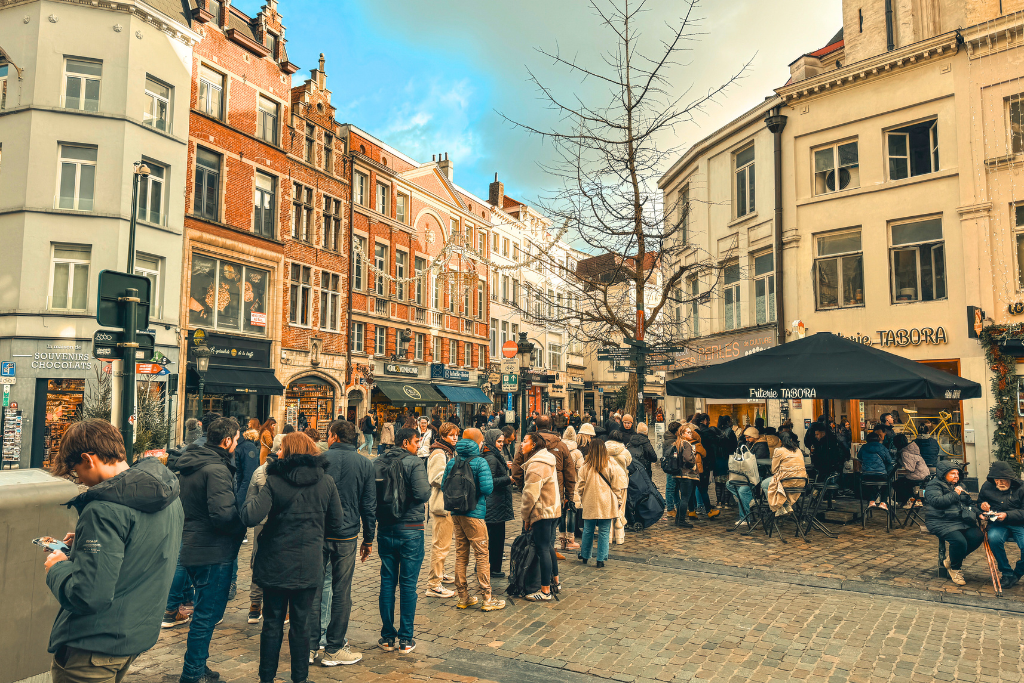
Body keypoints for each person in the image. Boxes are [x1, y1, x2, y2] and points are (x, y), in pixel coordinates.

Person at [45, 419, 184, 683]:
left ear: (88, 459)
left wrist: (57, 567)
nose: (80, 481)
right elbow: (144, 549)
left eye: (76, 472)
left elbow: (88, 595)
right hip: (132, 635)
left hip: (92, 646)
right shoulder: (167, 494)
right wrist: (88, 541)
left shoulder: (103, 509)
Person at [241, 432, 344, 683]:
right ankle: (300, 678)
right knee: (301, 624)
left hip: (275, 561)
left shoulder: (274, 481)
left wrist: (252, 492)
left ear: (285, 452)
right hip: (308, 561)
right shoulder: (326, 482)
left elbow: (250, 516)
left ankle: (267, 677)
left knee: (273, 622)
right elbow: (337, 523)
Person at [173, 417, 247, 683]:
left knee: (204, 611)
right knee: (208, 615)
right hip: (213, 551)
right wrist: (242, 525)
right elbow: (223, 514)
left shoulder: (193, 464)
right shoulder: (216, 469)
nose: (237, 445)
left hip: (193, 545)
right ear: (226, 441)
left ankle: (197, 666)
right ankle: (192, 673)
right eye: (236, 440)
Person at [309, 420, 377, 667]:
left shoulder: (320, 459)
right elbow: (369, 505)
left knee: (315, 588)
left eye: (329, 434)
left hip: (319, 531)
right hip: (346, 534)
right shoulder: (363, 463)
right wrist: (368, 538)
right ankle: (334, 647)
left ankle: (310, 645)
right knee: (341, 591)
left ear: (335, 436)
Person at [375, 428, 431, 653]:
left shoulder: (378, 462)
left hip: (386, 527)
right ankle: (406, 638)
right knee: (408, 584)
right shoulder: (414, 463)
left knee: (387, 581)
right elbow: (423, 494)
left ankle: (388, 636)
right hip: (411, 528)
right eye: (417, 441)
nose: (418, 446)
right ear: (406, 442)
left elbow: (372, 495)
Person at [442, 428, 504, 611]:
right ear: (477, 443)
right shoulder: (480, 462)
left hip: (456, 513)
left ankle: (463, 596)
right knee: (482, 554)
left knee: (461, 554)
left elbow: (444, 485)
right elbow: (487, 489)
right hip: (475, 514)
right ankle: (487, 598)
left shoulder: (452, 461)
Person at [519, 432, 562, 601]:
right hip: (552, 509)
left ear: (534, 445)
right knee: (548, 546)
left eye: (524, 441)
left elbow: (530, 495)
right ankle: (555, 582)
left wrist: (526, 517)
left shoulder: (537, 464)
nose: (521, 444)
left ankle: (545, 591)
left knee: (543, 548)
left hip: (543, 511)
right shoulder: (546, 459)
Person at [925, 462, 982, 586]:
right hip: (940, 520)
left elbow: (969, 504)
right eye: (952, 473)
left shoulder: (961, 485)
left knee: (977, 536)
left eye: (957, 473)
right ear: (943, 474)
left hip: (960, 519)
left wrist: (979, 513)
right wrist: (955, 493)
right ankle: (955, 568)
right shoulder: (933, 486)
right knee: (959, 541)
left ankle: (951, 560)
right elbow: (937, 502)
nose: (956, 476)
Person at [575, 438, 627, 567]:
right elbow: (616, 486)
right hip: (607, 501)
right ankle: (601, 559)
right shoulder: (610, 465)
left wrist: (582, 497)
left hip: (590, 500)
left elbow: (580, 486)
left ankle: (585, 555)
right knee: (604, 530)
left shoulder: (585, 467)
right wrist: (619, 500)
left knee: (588, 529)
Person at [424, 422, 459, 598]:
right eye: (452, 435)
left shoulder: (447, 451)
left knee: (444, 544)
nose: (455, 438)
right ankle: (433, 584)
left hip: (447, 504)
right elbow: (436, 478)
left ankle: (441, 573)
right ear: (444, 435)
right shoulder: (439, 453)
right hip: (441, 504)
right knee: (440, 545)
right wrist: (457, 479)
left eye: (456, 435)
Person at [977, 461, 1024, 589]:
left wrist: (1007, 515)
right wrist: (982, 506)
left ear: (1011, 479)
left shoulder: (1021, 487)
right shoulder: (987, 486)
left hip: (1020, 524)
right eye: (997, 480)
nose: (1000, 483)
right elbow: (979, 503)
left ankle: (1017, 573)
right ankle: (1007, 573)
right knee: (994, 539)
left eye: (1003, 480)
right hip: (997, 524)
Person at [481, 429, 514, 577]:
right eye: (498, 441)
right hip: (494, 503)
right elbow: (490, 481)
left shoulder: (494, 456)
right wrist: (509, 479)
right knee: (495, 539)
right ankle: (493, 568)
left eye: (502, 441)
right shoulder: (491, 458)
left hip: (497, 503)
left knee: (494, 538)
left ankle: (490, 566)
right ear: (491, 440)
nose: (501, 444)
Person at [761, 430, 808, 516]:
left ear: (780, 441)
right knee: (776, 484)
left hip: (786, 482)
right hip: (801, 482)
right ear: (791, 440)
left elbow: (773, 470)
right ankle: (786, 505)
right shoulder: (798, 450)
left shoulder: (779, 450)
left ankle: (779, 507)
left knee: (764, 484)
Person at [808, 422, 849, 504]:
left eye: (817, 434)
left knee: (822, 481)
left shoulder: (825, 444)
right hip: (832, 467)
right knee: (825, 481)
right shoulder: (830, 441)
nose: (816, 436)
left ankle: (821, 496)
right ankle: (824, 496)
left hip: (828, 468)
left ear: (823, 434)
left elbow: (824, 458)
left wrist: (814, 456)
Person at [726, 432, 761, 526]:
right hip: (745, 476)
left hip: (753, 477)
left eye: (748, 437)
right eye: (745, 437)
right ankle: (749, 500)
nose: (746, 439)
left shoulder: (760, 445)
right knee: (729, 484)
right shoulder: (749, 445)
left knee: (742, 491)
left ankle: (745, 518)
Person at [605, 431, 633, 544]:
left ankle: (609, 536)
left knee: (607, 509)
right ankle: (620, 537)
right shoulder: (624, 451)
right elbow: (629, 462)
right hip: (621, 482)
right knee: (621, 507)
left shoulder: (603, 449)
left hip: (606, 481)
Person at [673, 423, 702, 529]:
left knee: (682, 498)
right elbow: (687, 458)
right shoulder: (686, 444)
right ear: (682, 434)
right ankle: (681, 520)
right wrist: (693, 462)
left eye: (691, 432)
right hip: (686, 474)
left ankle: (678, 519)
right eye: (688, 432)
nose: (691, 434)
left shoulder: (677, 443)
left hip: (678, 474)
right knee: (685, 497)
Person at [692, 414, 721, 518]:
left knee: (691, 490)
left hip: (690, 468)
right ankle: (708, 510)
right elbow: (705, 453)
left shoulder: (683, 442)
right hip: (702, 466)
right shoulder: (701, 439)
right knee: (703, 488)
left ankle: (691, 511)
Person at [560, 426, 583, 551]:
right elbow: (581, 470)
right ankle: (570, 539)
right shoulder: (577, 453)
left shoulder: (559, 449)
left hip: (560, 484)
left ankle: (562, 539)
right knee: (571, 511)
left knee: (562, 513)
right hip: (573, 484)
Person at [859, 430, 894, 510]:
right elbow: (889, 460)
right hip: (880, 474)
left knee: (871, 484)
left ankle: (871, 501)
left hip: (866, 475)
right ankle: (883, 502)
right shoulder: (882, 447)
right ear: (878, 439)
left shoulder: (864, 447)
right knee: (888, 482)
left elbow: (859, 457)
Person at [894, 440, 929, 508]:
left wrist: (899, 461)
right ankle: (915, 500)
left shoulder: (904, 453)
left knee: (897, 483)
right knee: (904, 482)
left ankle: (910, 500)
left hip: (917, 476)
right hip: (925, 475)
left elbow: (910, 468)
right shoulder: (914, 450)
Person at [714, 416, 738, 509]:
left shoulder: (716, 431)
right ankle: (727, 503)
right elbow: (735, 446)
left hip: (717, 460)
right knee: (727, 481)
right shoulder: (730, 432)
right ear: (728, 422)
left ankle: (719, 502)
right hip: (728, 459)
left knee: (718, 482)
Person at [662, 421, 681, 517]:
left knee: (674, 487)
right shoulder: (672, 441)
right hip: (672, 466)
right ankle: (670, 508)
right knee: (671, 487)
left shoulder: (669, 438)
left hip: (672, 466)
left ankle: (677, 507)